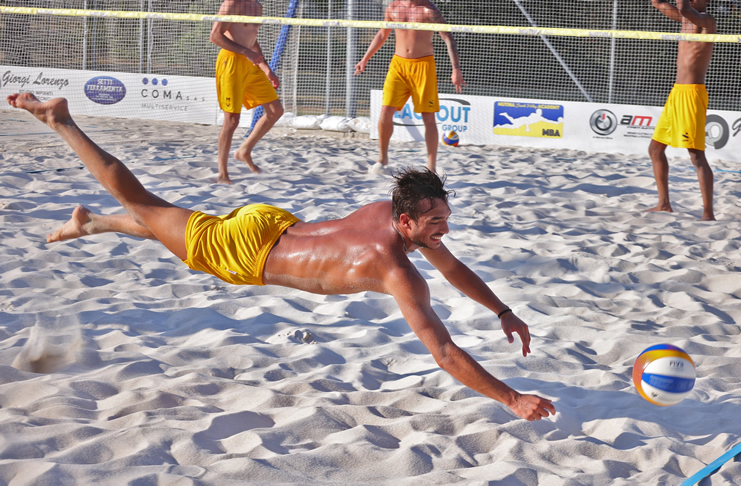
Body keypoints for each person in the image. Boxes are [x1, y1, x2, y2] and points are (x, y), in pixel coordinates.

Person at [6, 93, 555, 422]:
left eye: (446, 220)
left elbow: (455, 268)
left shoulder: (385, 213)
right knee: (147, 206)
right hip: (247, 252)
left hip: (270, 221)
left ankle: (92, 223)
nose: (445, 230)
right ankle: (63, 122)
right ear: (407, 222)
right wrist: (510, 398)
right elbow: (445, 353)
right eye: (436, 222)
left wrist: (502, 311)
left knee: (178, 228)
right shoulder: (397, 270)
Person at [354, 0, 466, 174]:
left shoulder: (429, 9)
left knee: (428, 118)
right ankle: (382, 158)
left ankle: (431, 166)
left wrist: (456, 69)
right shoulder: (393, 7)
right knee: (385, 112)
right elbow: (383, 34)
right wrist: (365, 58)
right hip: (398, 65)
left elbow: (447, 37)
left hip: (424, 66)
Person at [648, 0, 716, 221]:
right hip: (676, 92)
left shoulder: (707, 21)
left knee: (696, 156)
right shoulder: (684, 20)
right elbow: (657, 3)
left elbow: (685, 8)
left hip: (692, 95)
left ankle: (708, 213)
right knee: (655, 149)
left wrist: (684, 5)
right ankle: (664, 204)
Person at [210, 0, 284, 183]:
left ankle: (244, 151)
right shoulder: (232, 3)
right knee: (232, 120)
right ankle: (222, 174)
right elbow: (215, 36)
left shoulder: (257, 5)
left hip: (250, 62)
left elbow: (252, 40)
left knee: (276, 111)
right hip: (231, 62)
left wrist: (266, 69)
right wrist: (246, 52)